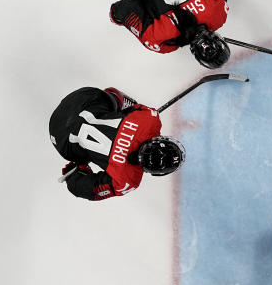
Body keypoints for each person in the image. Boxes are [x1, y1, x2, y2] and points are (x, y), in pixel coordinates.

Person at [49, 86, 184, 201]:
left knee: (115, 97)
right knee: (79, 156)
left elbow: (133, 109)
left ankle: (111, 101)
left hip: (80, 99)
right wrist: (74, 175)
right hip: (60, 138)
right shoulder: (127, 181)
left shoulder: (151, 120)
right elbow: (88, 190)